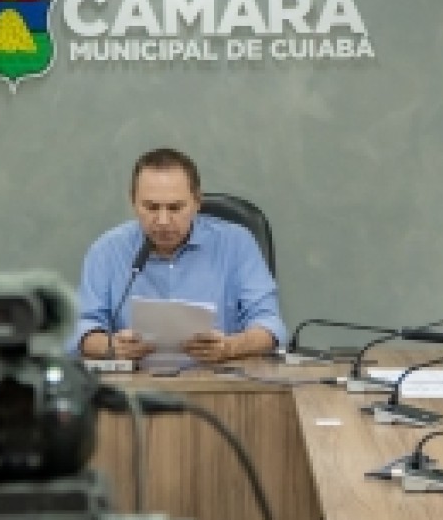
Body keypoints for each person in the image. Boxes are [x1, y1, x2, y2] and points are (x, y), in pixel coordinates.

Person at [67, 148, 285, 362]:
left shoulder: (236, 243)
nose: (163, 221)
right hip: (135, 381)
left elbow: (270, 325)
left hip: (218, 377)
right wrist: (110, 346)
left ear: (197, 202)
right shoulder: (107, 251)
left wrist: (230, 347)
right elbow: (79, 330)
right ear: (133, 201)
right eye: (151, 207)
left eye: (175, 208)